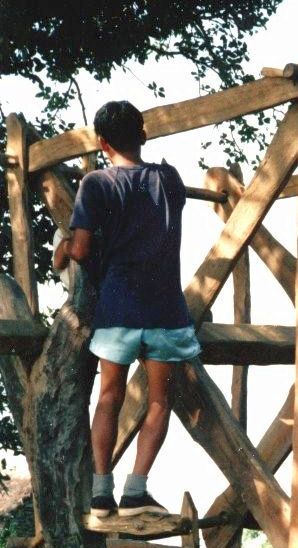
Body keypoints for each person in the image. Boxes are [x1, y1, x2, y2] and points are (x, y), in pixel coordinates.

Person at [54, 100, 200, 518]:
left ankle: (102, 492)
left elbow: (79, 250)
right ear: (144, 133)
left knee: (108, 398)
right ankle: (136, 491)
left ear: (101, 143)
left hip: (118, 306)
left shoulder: (96, 183)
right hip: (165, 309)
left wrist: (66, 245)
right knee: (158, 402)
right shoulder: (168, 178)